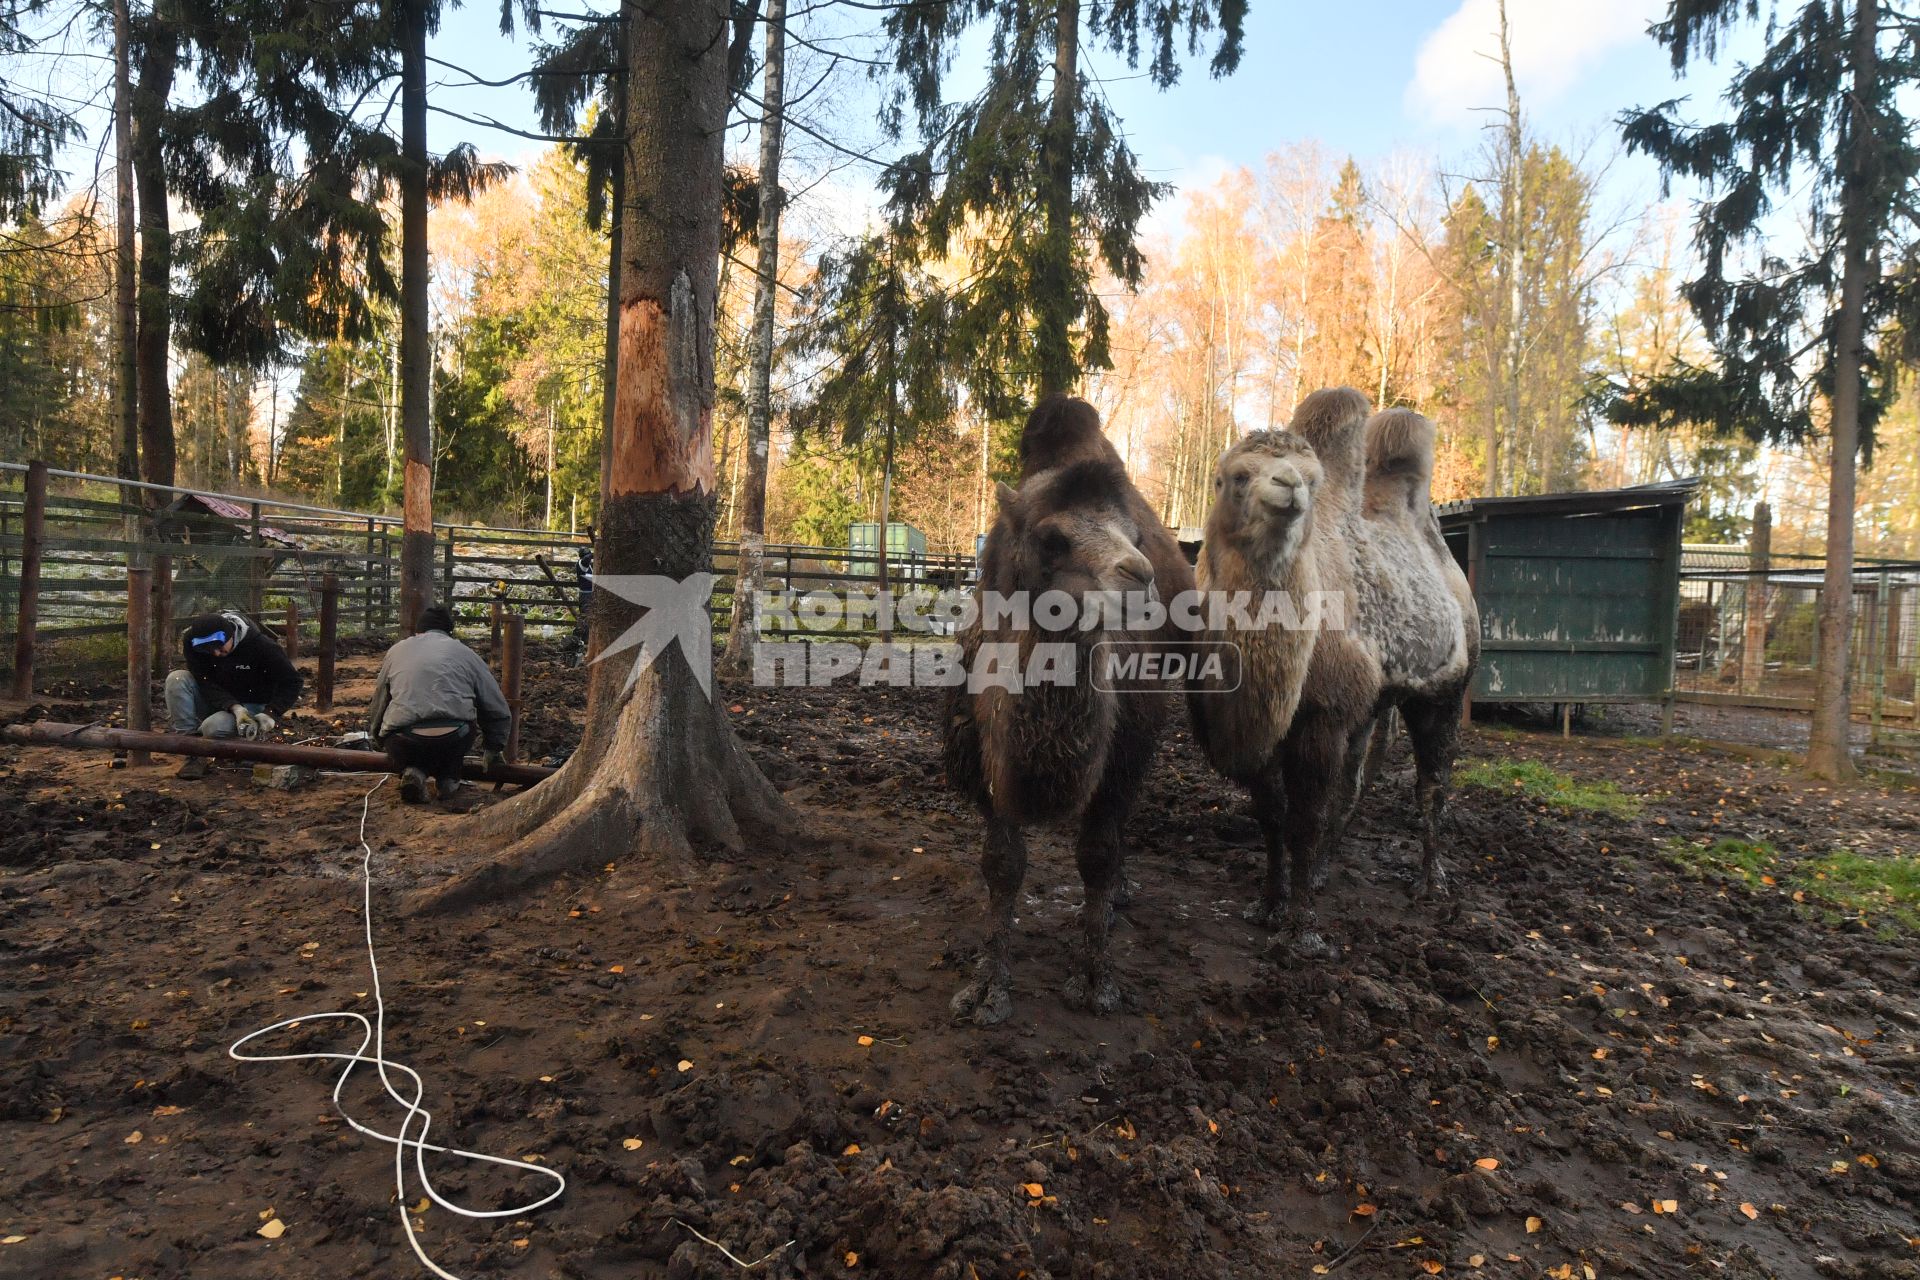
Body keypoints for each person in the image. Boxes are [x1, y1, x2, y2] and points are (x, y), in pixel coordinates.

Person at [367, 605, 512, 809]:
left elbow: (379, 701)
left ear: (419, 631)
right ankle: (448, 781)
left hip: (404, 741)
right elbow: (495, 705)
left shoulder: (397, 650)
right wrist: (494, 748)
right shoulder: (466, 654)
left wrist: (378, 738)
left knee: (409, 749)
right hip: (453, 739)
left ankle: (414, 771)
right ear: (448, 632)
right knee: (456, 742)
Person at [165, 611, 304, 779]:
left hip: (252, 703)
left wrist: (271, 713)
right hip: (217, 700)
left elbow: (292, 681)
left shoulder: (261, 646)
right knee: (177, 678)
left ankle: (247, 739)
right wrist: (234, 707)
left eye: (219, 646)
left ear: (231, 635)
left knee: (212, 728)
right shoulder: (191, 643)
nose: (216, 654)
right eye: (209, 650)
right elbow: (203, 680)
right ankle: (193, 752)